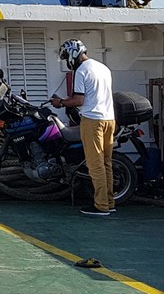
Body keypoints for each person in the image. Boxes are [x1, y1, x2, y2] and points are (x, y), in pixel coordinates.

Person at [50, 39, 115, 216]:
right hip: (109, 119)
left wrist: (60, 102)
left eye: (65, 57)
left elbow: (79, 100)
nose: (66, 61)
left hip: (92, 120)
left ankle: (101, 206)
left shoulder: (82, 70)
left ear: (72, 54)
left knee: (95, 165)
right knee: (106, 163)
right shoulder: (103, 68)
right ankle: (109, 202)